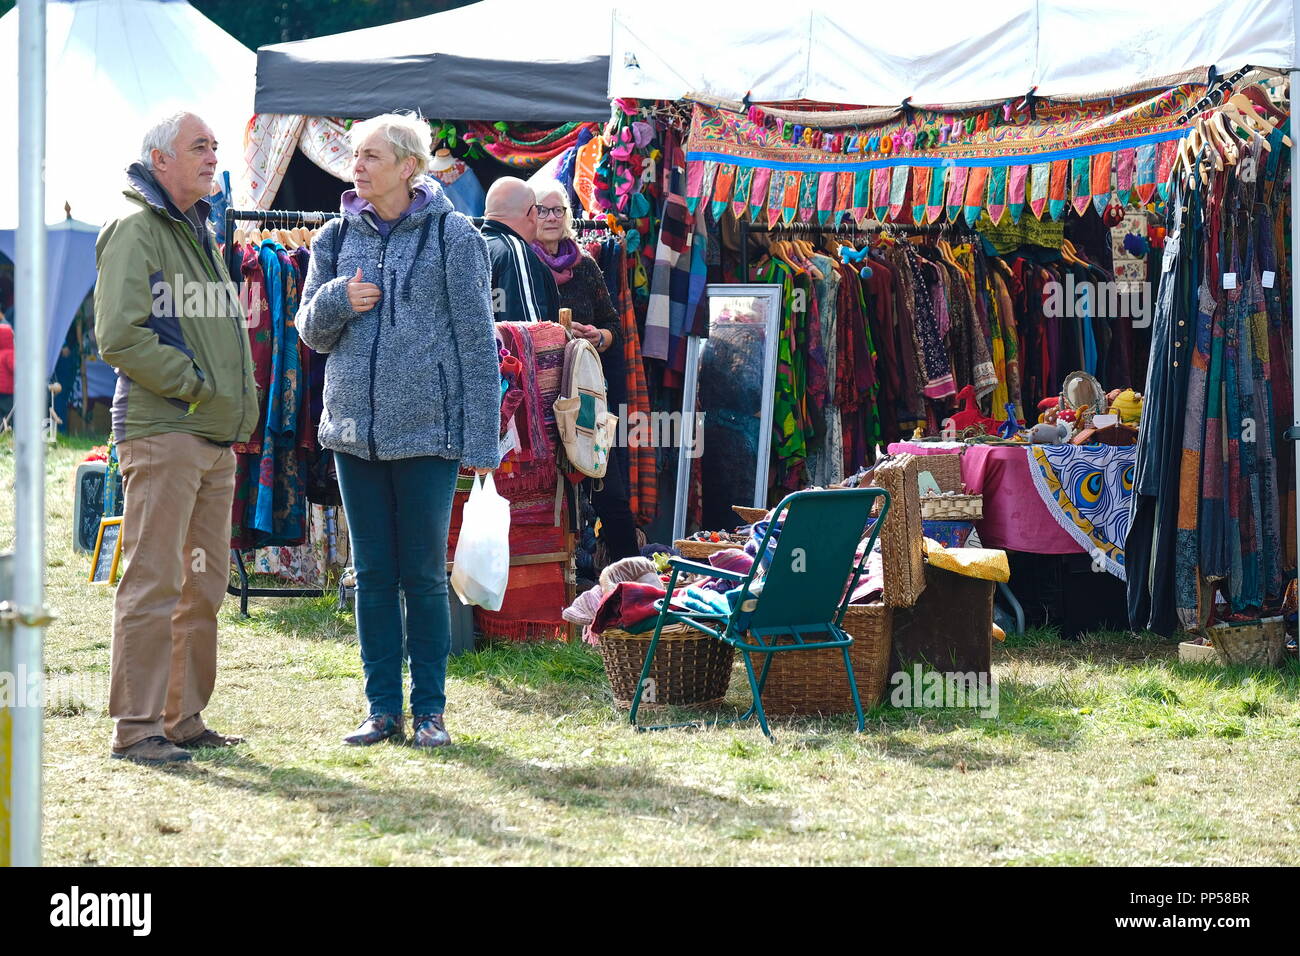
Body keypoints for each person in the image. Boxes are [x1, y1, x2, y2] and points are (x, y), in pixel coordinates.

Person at [297, 112, 501, 748]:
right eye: (355, 156)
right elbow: (308, 328)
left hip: (429, 433)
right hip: (354, 432)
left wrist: (480, 440)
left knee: (423, 575)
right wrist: (338, 299)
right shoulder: (332, 236)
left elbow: (477, 343)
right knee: (373, 574)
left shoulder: (454, 236)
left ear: (408, 167)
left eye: (371, 157)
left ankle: (431, 711)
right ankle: (381, 709)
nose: (356, 166)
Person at [95, 111, 259, 765]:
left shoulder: (198, 230)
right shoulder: (137, 228)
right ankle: (137, 729)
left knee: (202, 584)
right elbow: (119, 335)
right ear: (159, 159)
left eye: (215, 147)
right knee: (156, 581)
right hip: (165, 433)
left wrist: (227, 408)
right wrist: (194, 387)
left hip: (209, 439)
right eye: (199, 146)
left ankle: (182, 718)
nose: (212, 156)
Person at [530, 181, 640, 563]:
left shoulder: (587, 266)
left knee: (605, 479)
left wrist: (599, 336)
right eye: (542, 210)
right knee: (546, 484)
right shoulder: (521, 263)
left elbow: (615, 326)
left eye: (558, 210)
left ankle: (631, 570)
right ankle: (563, 572)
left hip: (586, 389)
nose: (550, 218)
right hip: (539, 394)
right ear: (529, 215)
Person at [481, 177, 558, 323]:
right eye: (539, 209)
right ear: (532, 213)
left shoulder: (475, 247)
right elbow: (530, 332)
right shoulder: (515, 253)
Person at [0, 315, 13, 423]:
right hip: (8, 391)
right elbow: (14, 368)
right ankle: (6, 432)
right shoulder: (9, 354)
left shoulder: (1, 354)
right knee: (8, 413)